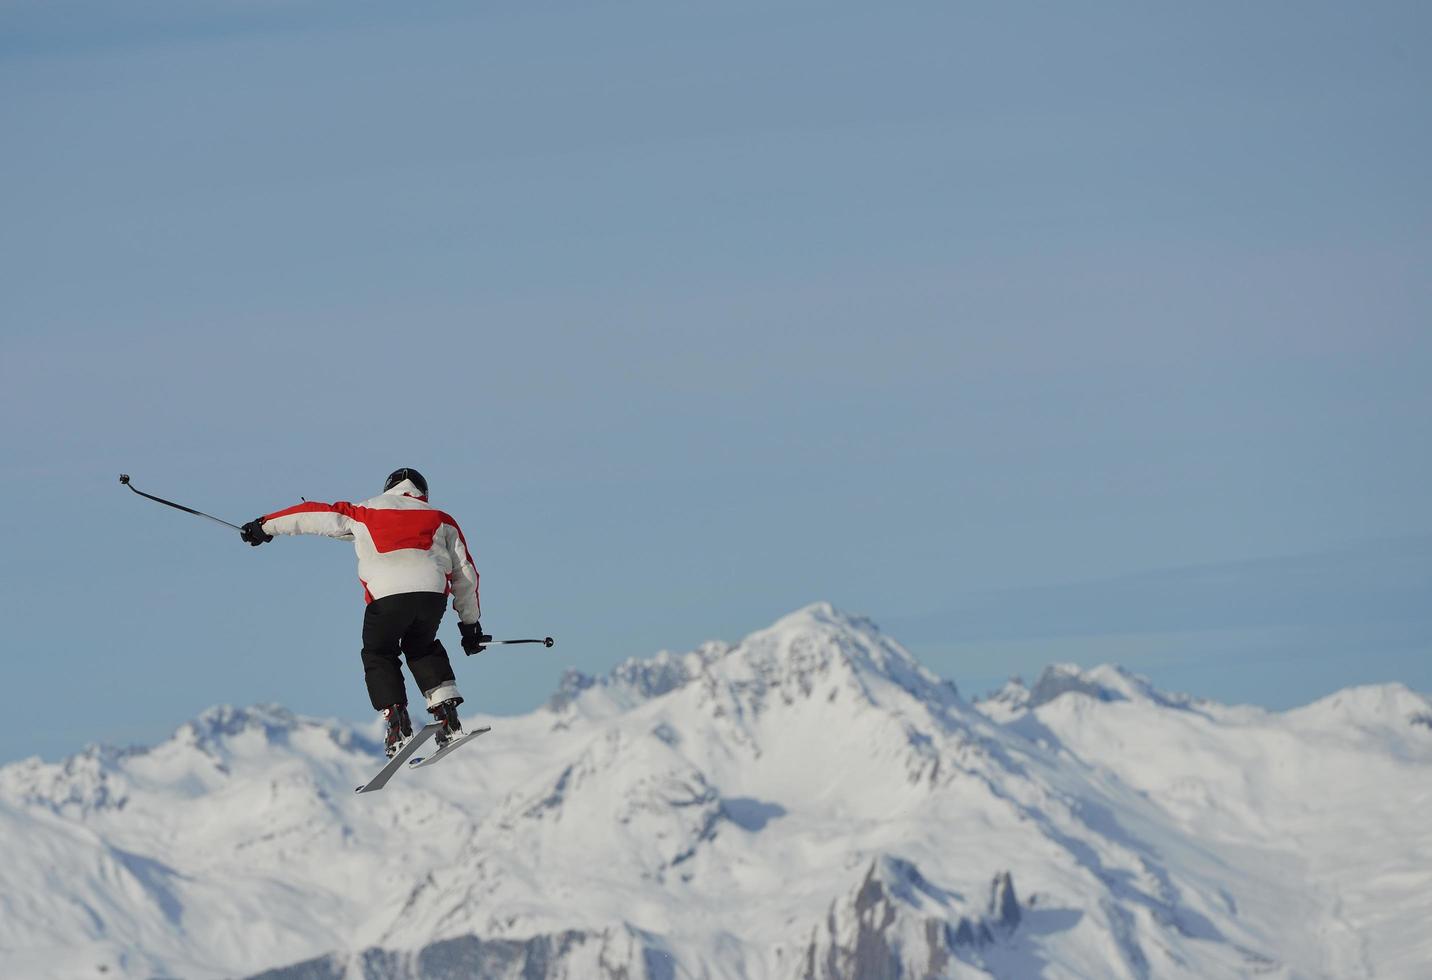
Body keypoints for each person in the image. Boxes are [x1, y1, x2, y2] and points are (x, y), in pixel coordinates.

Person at [239, 468, 487, 757]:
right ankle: (448, 715)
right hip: (431, 596)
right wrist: (470, 626)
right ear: (422, 493)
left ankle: (397, 723)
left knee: (378, 653)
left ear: (388, 488)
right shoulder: (440, 518)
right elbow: (466, 575)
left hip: (387, 597)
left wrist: (263, 526)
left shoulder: (363, 512)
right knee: (422, 647)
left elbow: (311, 515)